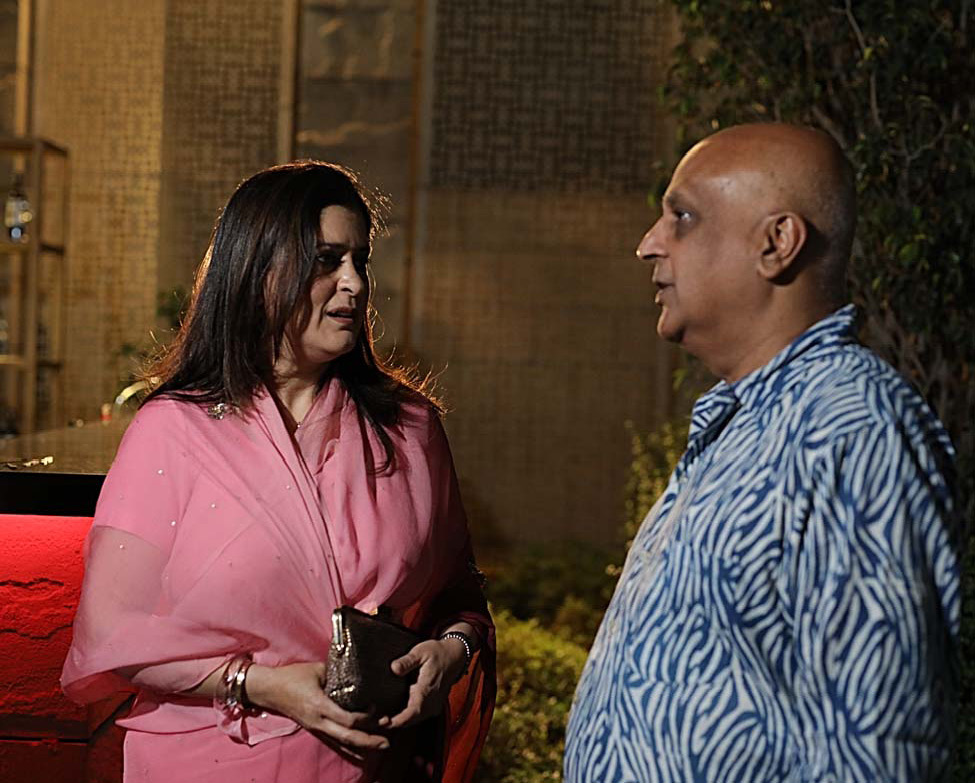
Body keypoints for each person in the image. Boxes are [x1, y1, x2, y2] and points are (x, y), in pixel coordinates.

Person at [61, 161, 495, 782]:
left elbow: (460, 596)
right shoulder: (173, 433)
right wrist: (260, 684)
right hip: (211, 762)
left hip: (374, 764)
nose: (354, 283)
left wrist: (452, 650)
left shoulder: (408, 429)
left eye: (361, 261)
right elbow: (113, 633)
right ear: (257, 271)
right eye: (326, 261)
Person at [564, 123, 959, 782]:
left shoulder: (850, 428)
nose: (648, 244)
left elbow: (880, 748)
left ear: (776, 243)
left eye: (682, 217)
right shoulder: (746, 423)